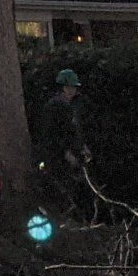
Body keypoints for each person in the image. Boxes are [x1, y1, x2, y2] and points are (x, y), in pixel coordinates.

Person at [37, 68, 93, 217]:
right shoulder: (56, 106)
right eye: (72, 87)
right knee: (63, 190)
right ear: (64, 88)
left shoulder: (68, 106)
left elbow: (73, 131)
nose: (74, 91)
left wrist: (82, 148)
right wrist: (66, 152)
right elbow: (54, 134)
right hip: (58, 158)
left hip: (69, 155)